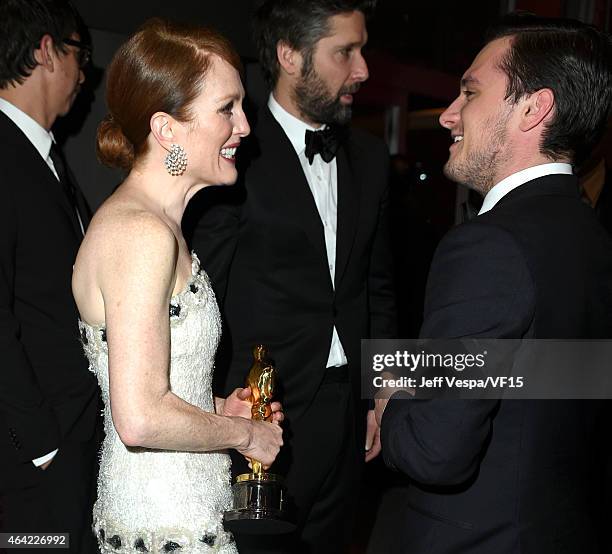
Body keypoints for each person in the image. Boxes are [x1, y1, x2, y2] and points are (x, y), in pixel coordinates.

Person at [377, 14, 612, 554]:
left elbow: (435, 450)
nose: (448, 116)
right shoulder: (591, 237)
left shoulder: (489, 245)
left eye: (469, 92)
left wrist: (392, 400)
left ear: (534, 108)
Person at [184, 0, 395, 551]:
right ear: (290, 56)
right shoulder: (231, 154)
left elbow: (377, 286)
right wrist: (212, 415)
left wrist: (381, 394)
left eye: (362, 49)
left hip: (346, 413)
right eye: (345, 52)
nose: (363, 69)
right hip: (258, 416)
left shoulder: (370, 158)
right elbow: (200, 292)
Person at [71, 19, 284, 553]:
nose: (245, 127)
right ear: (167, 129)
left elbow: (156, 386)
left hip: (185, 507)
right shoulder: (140, 233)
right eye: (226, 109)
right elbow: (140, 418)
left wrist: (216, 410)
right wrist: (247, 434)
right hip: (165, 524)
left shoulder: (158, 227)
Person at [0, 1, 100, 551]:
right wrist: (42, 444)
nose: (85, 76)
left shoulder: (49, 157)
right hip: (33, 459)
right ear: (46, 50)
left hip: (72, 440)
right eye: (79, 56)